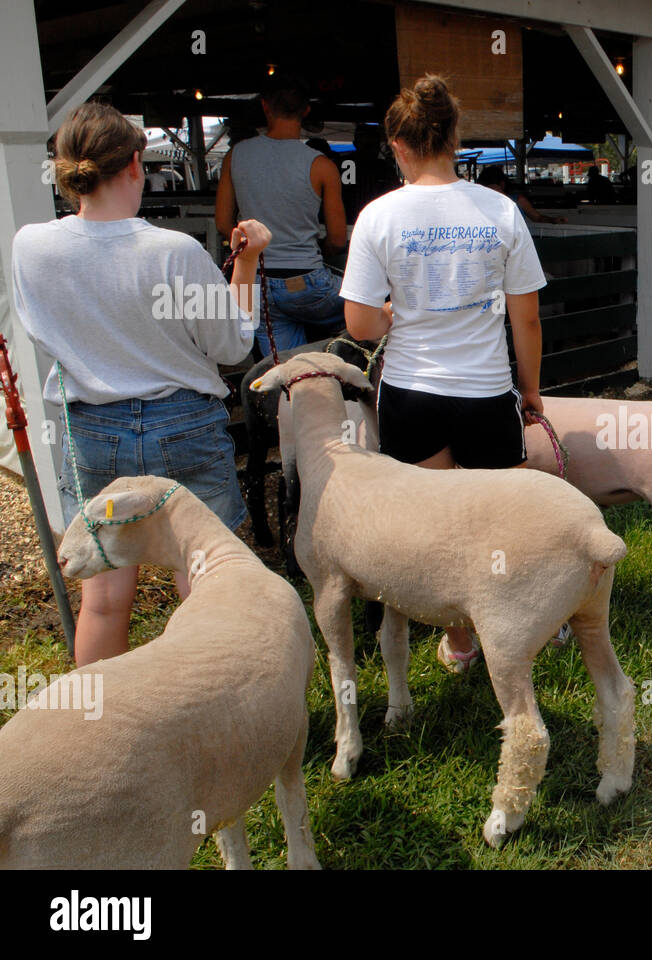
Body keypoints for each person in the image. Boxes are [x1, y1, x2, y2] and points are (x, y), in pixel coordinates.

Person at [13, 102, 264, 666]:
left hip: (92, 429)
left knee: (103, 598)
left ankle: (101, 731)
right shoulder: (173, 251)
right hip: (184, 422)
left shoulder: (30, 245)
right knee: (206, 583)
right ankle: (216, 720)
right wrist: (245, 268)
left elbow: (43, 332)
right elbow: (231, 347)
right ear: (135, 164)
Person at [340, 74, 546, 674]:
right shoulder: (500, 210)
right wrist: (529, 390)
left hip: (412, 394)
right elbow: (526, 318)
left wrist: (388, 314)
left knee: (438, 530)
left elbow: (357, 324)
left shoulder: (378, 216)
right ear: (455, 137)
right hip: (486, 392)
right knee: (499, 523)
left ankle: (459, 641)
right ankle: (521, 623)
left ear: (397, 146)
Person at [216, 73, 348, 358]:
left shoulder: (236, 155)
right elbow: (337, 240)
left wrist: (252, 250)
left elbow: (223, 223)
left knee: (287, 374)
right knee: (379, 304)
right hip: (310, 285)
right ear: (306, 110)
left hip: (259, 286)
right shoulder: (322, 165)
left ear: (265, 107)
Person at [477, 165, 567, 224]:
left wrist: (553, 220)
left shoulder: (518, 199)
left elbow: (537, 218)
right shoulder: (478, 202)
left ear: (502, 184)